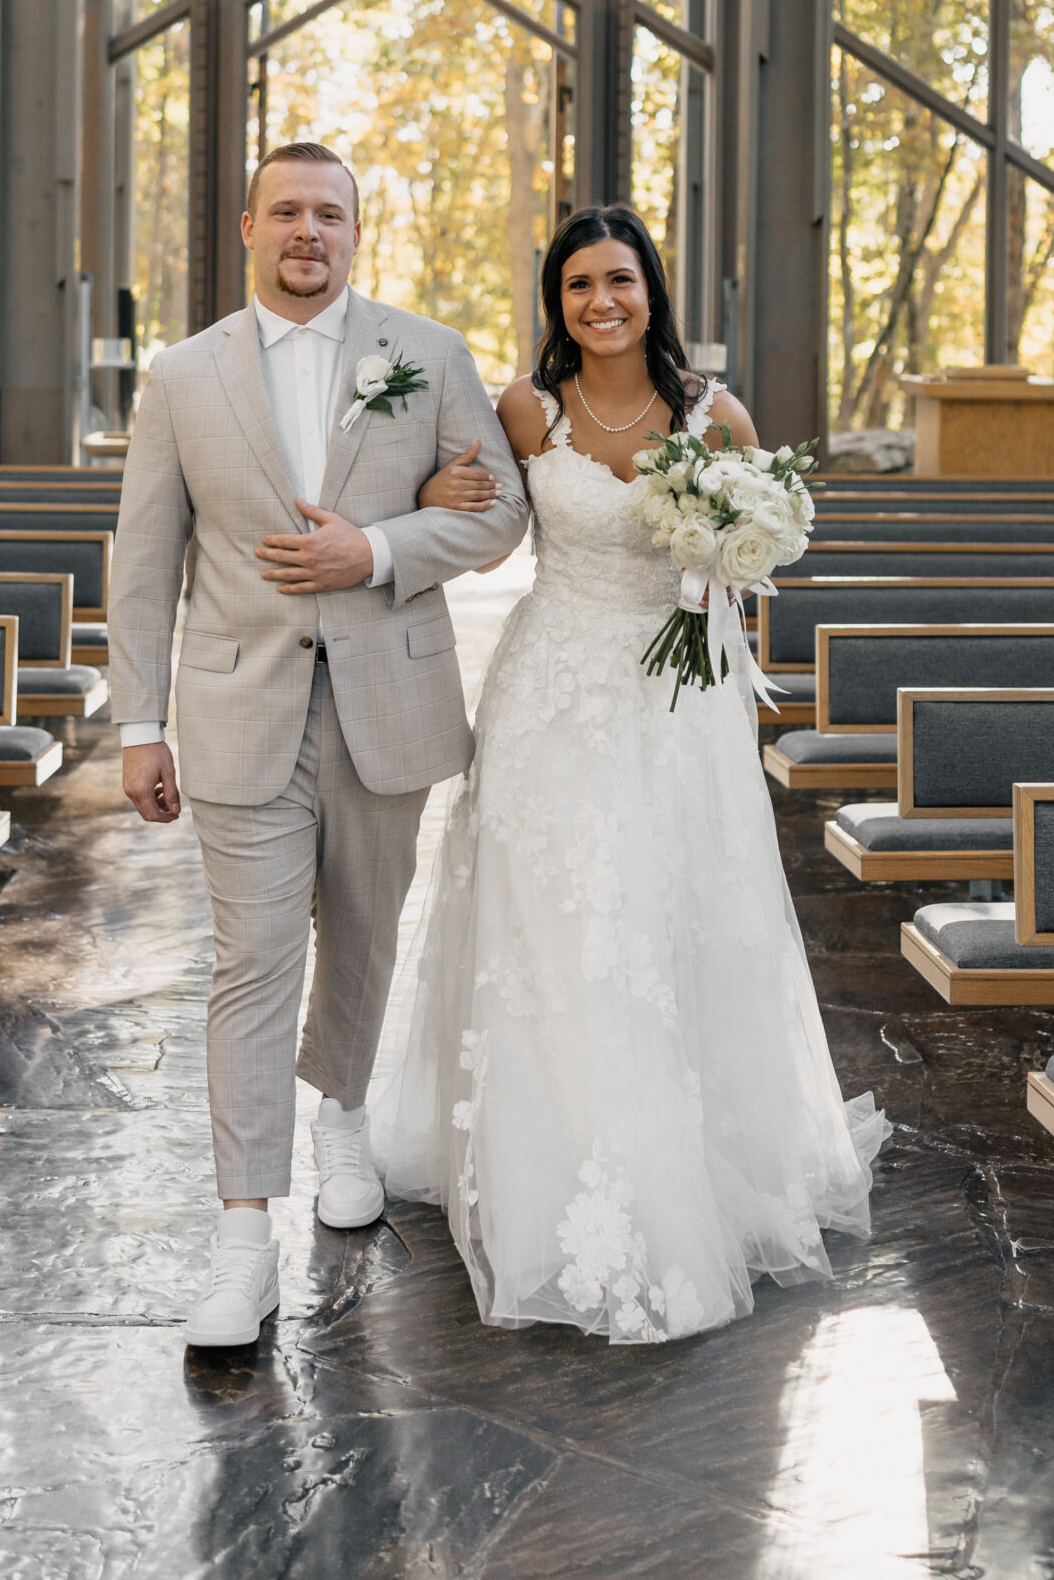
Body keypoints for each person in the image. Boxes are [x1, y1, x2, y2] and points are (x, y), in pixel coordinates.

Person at [372, 204, 888, 1344]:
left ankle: (682, 1168)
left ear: (652, 286)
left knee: (668, 919)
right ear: (555, 303)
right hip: (550, 686)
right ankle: (539, 1157)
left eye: (620, 279)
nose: (600, 302)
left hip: (676, 701)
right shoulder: (525, 408)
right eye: (577, 287)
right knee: (546, 922)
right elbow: (479, 520)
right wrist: (422, 503)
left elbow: (760, 547)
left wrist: (727, 558)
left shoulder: (716, 413)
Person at [112, 140, 529, 1351]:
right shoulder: (184, 377)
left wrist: (381, 550)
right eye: (287, 210)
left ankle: (343, 1108)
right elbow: (142, 562)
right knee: (251, 967)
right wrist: (140, 723)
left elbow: (501, 509)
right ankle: (243, 1242)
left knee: (364, 929)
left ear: (357, 231)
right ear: (247, 225)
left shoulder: (425, 353)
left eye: (330, 214)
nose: (309, 231)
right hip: (238, 710)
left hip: (388, 704)